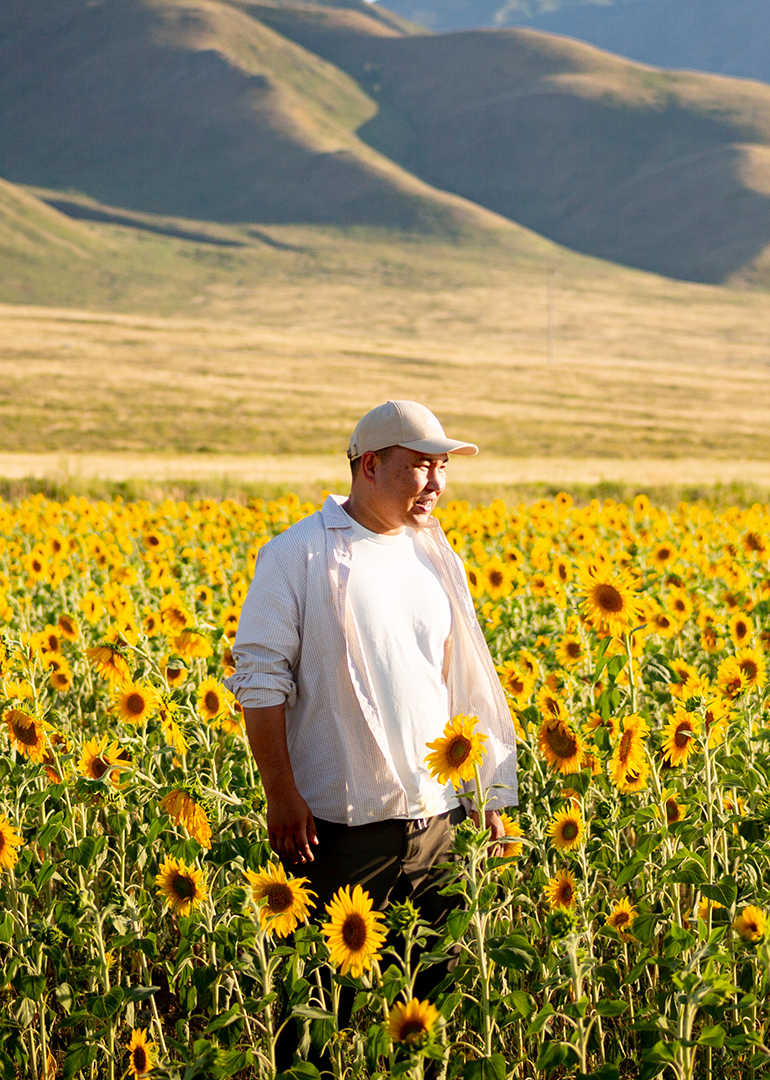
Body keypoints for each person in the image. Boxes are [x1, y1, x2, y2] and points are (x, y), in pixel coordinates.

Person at [225, 400, 517, 1068]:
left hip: (436, 827)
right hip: (337, 835)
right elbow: (261, 680)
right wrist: (281, 794)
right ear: (370, 465)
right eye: (420, 467)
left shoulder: (437, 559)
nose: (437, 485)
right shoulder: (297, 555)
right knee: (318, 1025)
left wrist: (489, 792)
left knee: (427, 1023)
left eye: (443, 468)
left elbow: (464, 682)